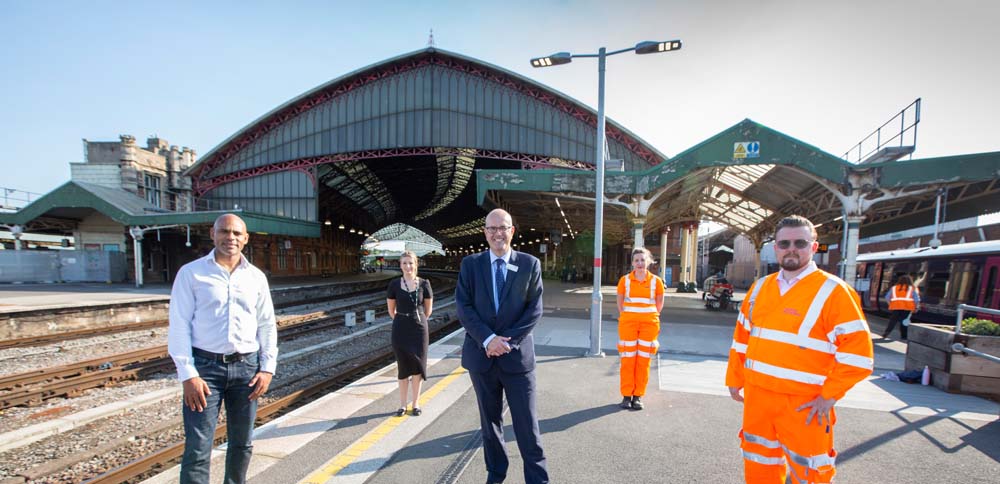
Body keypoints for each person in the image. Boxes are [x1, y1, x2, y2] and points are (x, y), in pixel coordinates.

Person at [726, 215, 873, 483]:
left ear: (814, 247)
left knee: (809, 472)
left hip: (805, 404)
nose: (791, 248)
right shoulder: (759, 289)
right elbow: (741, 339)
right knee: (759, 464)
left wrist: (829, 395)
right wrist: (735, 379)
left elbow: (859, 354)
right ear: (775, 247)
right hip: (758, 400)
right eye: (784, 243)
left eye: (800, 242)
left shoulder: (835, 292)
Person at [168, 214, 278, 484]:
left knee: (242, 443)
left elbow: (266, 324)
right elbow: (179, 324)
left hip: (248, 370)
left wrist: (267, 368)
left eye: (237, 233)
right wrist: (188, 375)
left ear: (246, 238)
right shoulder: (191, 273)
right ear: (213, 234)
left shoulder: (256, 277)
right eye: (225, 232)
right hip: (205, 371)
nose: (231, 238)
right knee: (198, 447)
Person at [456, 208, 548, 484]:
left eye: (503, 228)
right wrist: (487, 339)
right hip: (482, 357)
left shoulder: (529, 264)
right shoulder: (470, 265)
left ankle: (538, 479)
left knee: (527, 425)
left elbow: (534, 309)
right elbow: (464, 307)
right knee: (490, 423)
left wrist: (507, 342)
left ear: (512, 231)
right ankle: (496, 473)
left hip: (517, 359)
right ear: (485, 232)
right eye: (492, 228)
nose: (498, 233)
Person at [615, 247, 665, 410]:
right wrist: (627, 316)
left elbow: (659, 304)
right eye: (636, 260)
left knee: (643, 360)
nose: (640, 263)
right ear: (632, 263)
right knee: (627, 359)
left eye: (643, 260)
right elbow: (620, 302)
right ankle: (626, 396)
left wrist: (649, 317)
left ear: (649, 261)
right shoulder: (625, 280)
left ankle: (638, 396)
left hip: (649, 325)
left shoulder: (656, 281)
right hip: (628, 324)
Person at [386, 250, 433, 416]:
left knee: (417, 367)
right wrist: (403, 319)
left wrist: (416, 319)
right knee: (403, 367)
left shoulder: (424, 284)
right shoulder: (394, 285)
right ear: (400, 265)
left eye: (411, 263)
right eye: (404, 263)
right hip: (400, 328)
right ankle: (402, 404)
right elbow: (391, 310)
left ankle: (416, 403)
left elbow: (428, 310)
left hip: (419, 329)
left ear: (416, 264)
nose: (408, 266)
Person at [882, 275, 920, 340]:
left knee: (892, 321)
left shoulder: (894, 288)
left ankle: (886, 332)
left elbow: (887, 297)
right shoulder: (912, 288)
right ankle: (903, 336)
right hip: (907, 308)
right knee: (904, 322)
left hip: (895, 307)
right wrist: (916, 307)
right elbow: (916, 300)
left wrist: (890, 304)